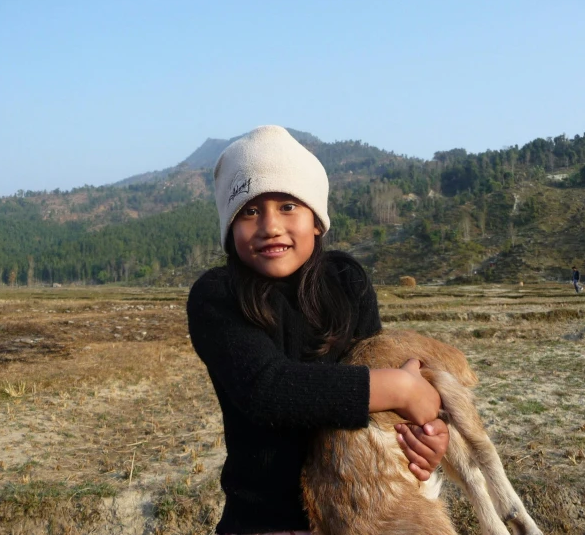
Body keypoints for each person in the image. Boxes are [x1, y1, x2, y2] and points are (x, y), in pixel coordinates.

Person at [187, 125, 449, 535]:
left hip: (360, 514)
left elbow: (377, 401)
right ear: (229, 227)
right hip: (262, 524)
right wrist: (400, 388)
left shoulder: (347, 282)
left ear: (317, 220)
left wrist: (424, 440)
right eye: (249, 211)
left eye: (288, 205)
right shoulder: (216, 297)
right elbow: (267, 390)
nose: (270, 225)